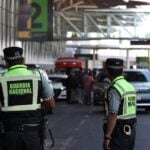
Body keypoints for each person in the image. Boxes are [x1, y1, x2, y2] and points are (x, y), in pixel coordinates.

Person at [0, 46, 55, 150]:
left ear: (6, 62)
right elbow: (51, 104)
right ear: (23, 60)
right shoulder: (39, 75)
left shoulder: (1, 79)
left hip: (9, 135)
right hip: (33, 134)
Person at [103, 58, 137, 150]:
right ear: (122, 70)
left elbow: (113, 114)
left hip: (118, 135)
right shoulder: (130, 86)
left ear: (107, 71)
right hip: (130, 134)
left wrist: (107, 137)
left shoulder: (115, 89)